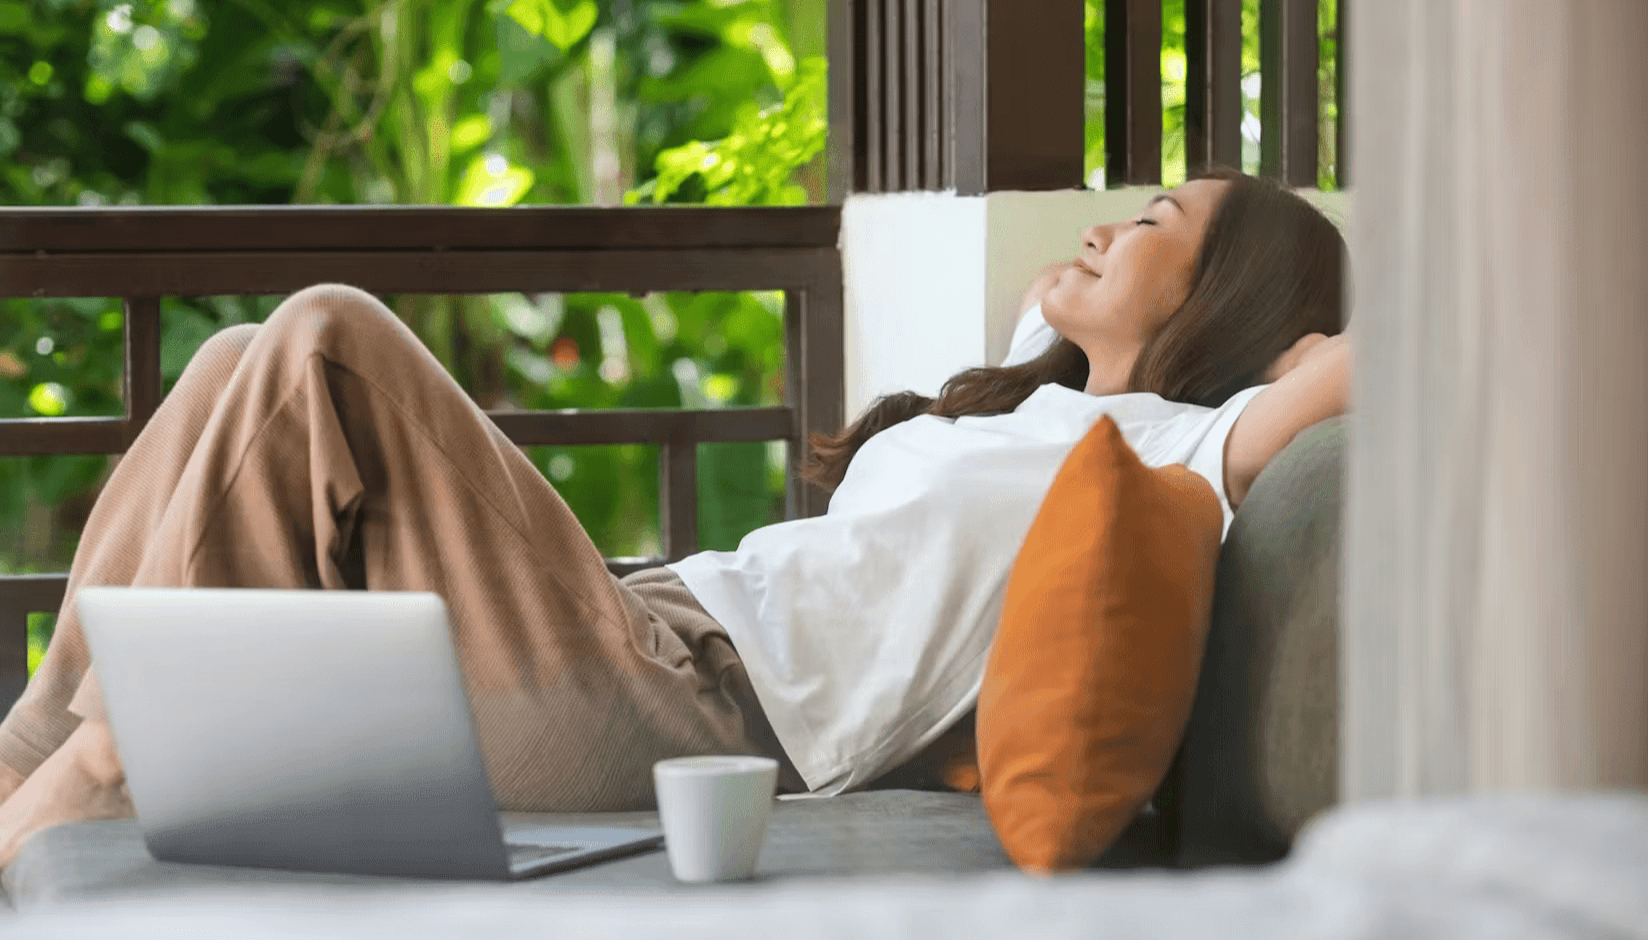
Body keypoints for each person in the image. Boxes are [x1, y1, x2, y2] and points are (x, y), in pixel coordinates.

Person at [0, 166, 1350, 866]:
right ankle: (42, 764)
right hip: (645, 622)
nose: (1107, 231)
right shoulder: (1028, 412)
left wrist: (1297, 353)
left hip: (694, 711)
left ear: (1230, 301)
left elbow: (1389, 353)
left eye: (1155, 221)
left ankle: (109, 754)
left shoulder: (1182, 446)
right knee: (242, 356)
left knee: (327, 340)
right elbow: (1066, 336)